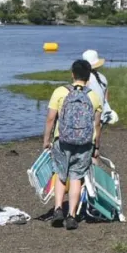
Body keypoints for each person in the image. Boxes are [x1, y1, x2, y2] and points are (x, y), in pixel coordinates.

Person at [42, 59, 102, 231]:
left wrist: (46, 141)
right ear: (88, 76)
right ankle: (72, 215)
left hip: (62, 140)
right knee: (76, 177)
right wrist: (96, 147)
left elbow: (50, 119)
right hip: (84, 142)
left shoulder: (60, 92)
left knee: (61, 174)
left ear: (72, 74)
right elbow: (97, 125)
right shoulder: (93, 96)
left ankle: (58, 209)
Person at [82, 49, 111, 127]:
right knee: (96, 136)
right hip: (101, 114)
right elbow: (106, 97)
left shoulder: (83, 78)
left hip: (87, 115)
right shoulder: (102, 77)